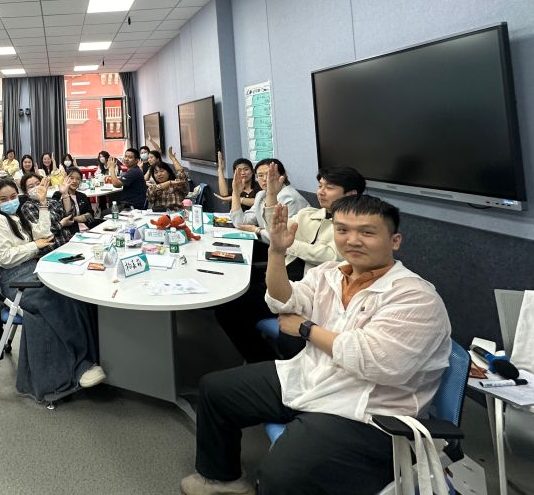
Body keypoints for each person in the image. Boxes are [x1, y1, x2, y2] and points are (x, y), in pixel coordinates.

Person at [181, 196, 451, 495]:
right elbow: (283, 301)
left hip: (367, 410)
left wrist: (306, 329)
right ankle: (224, 479)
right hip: (313, 376)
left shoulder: (416, 297)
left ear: (395, 241)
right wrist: (277, 252)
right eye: (343, 230)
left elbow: (372, 361)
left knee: (281, 476)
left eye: (367, 232)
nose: (352, 240)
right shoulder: (330, 273)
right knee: (216, 390)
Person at [214, 164, 367, 364]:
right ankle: (262, 362)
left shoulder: (358, 226)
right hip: (281, 283)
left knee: (290, 340)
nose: (320, 192)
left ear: (351, 194)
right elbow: (275, 230)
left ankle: (278, 369)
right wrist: (271, 195)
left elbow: (330, 255)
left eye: (329, 188)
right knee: (227, 309)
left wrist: (288, 244)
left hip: (312, 295)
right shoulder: (308, 214)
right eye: (320, 186)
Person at [0, 177, 105, 401]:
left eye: (13, 197)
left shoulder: (17, 217)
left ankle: (90, 356)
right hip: (15, 281)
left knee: (73, 291)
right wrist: (34, 246)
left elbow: (42, 233)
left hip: (32, 268)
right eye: (3, 199)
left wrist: (42, 204)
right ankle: (80, 366)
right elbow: (6, 258)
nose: (10, 201)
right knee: (59, 299)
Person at [230, 158, 309, 240]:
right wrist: (236, 193)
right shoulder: (261, 195)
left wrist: (257, 230)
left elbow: (283, 238)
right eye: (260, 175)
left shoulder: (291, 198)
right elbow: (240, 223)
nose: (265, 179)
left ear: (282, 176)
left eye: (269, 175)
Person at [20, 171, 67, 245]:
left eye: (38, 184)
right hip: (52, 246)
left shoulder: (51, 201)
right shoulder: (28, 207)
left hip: (67, 241)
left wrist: (65, 194)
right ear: (26, 192)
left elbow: (67, 216)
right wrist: (61, 224)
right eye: (31, 186)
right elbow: (44, 232)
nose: (37, 188)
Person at [56, 167, 98, 238]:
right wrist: (81, 218)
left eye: (78, 179)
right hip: (69, 233)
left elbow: (90, 215)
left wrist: (74, 218)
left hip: (87, 229)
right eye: (71, 178)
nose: (74, 181)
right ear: (65, 179)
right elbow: (61, 218)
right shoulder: (58, 195)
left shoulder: (82, 196)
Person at [146, 147, 189, 211]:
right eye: (156, 172)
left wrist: (173, 159)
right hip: (159, 215)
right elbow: (150, 198)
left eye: (161, 171)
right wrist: (169, 183)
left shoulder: (177, 185)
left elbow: (182, 174)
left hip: (175, 214)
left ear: (168, 172)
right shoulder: (153, 188)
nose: (159, 174)